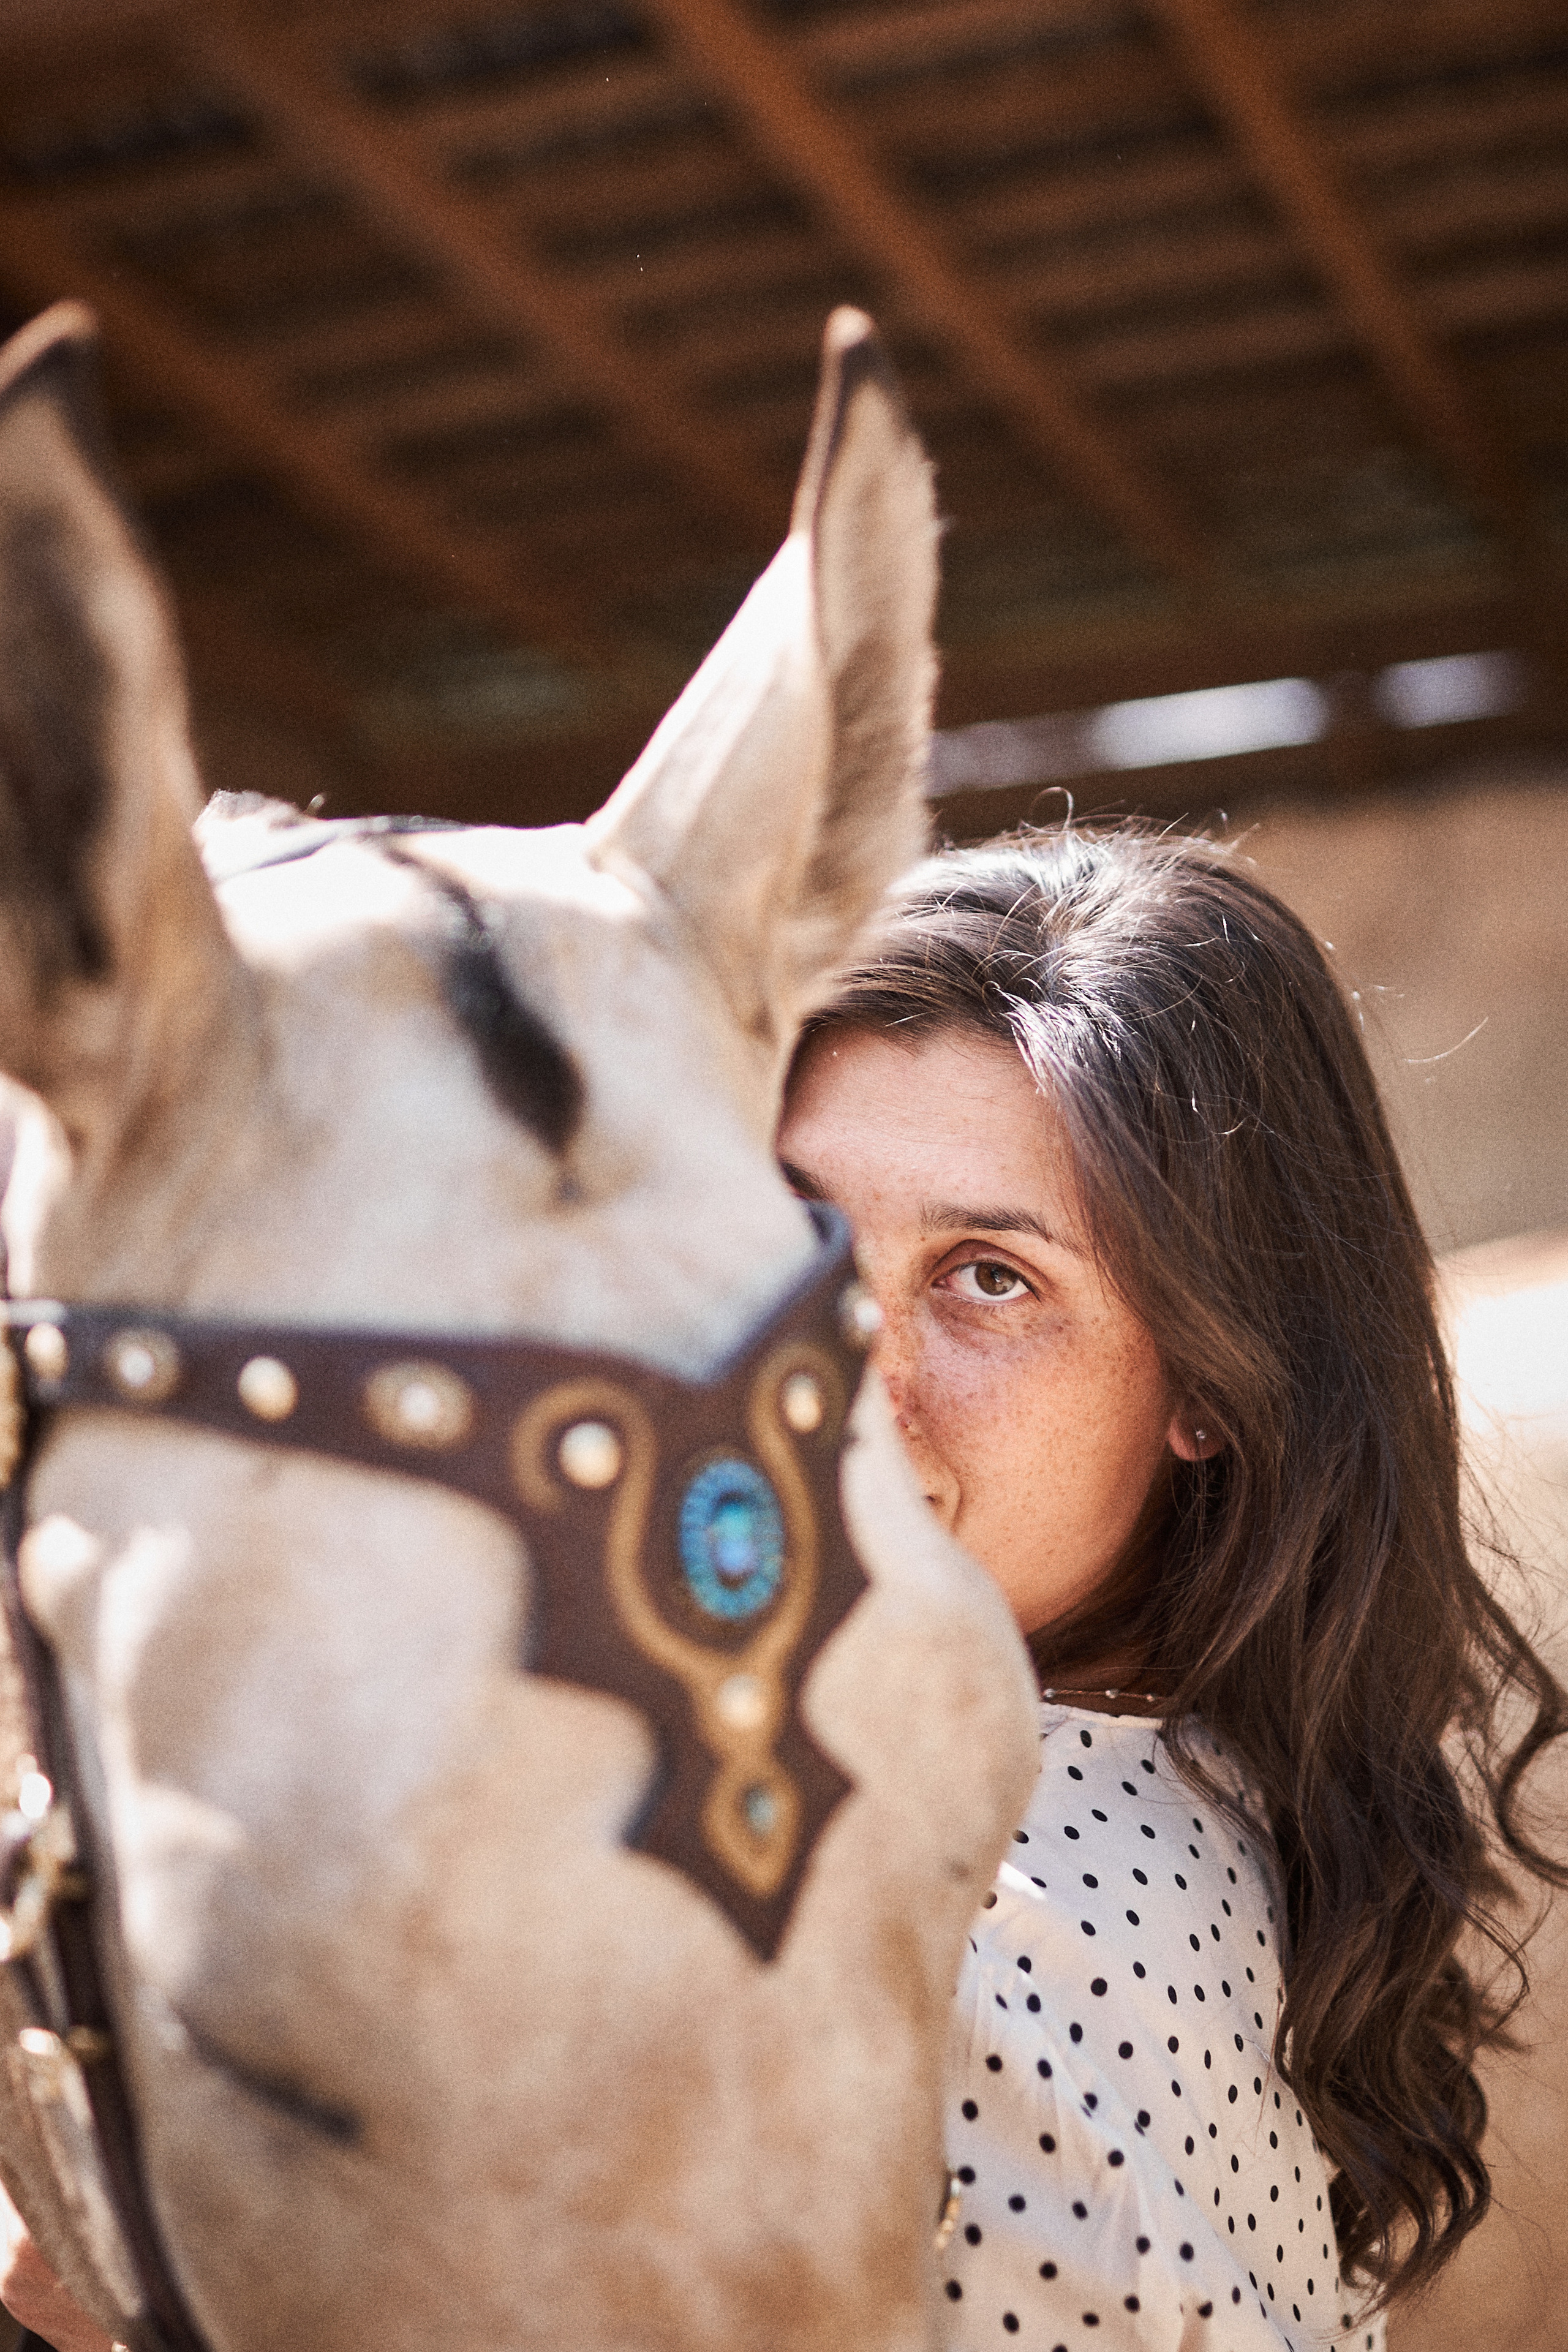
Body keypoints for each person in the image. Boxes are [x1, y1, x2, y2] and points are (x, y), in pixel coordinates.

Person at [776, 823, 1566, 2351]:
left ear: (1210, 1378)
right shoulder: (1184, 1797)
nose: (826, 1373)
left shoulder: (954, 1935)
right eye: (790, 1233)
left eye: (987, 1278)